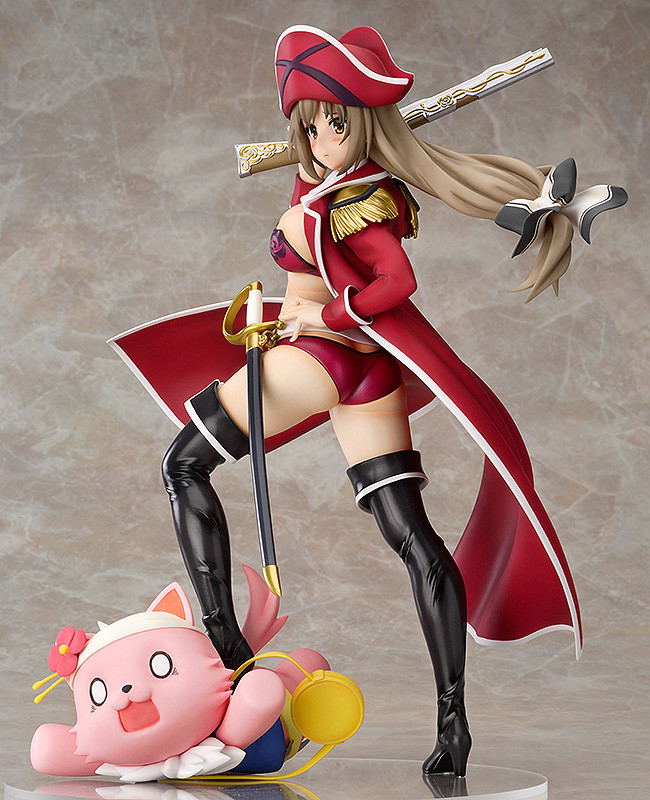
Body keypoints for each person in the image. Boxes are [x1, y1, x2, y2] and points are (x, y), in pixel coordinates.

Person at [113, 25, 625, 777]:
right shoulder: (331, 182)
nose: (323, 139)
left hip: (321, 358)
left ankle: (228, 652)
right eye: (312, 125)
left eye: (337, 122)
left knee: (182, 465)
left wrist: (317, 315)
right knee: (410, 535)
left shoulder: (364, 198)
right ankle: (453, 726)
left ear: (365, 124)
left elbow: (396, 285)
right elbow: (325, 223)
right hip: (368, 379)